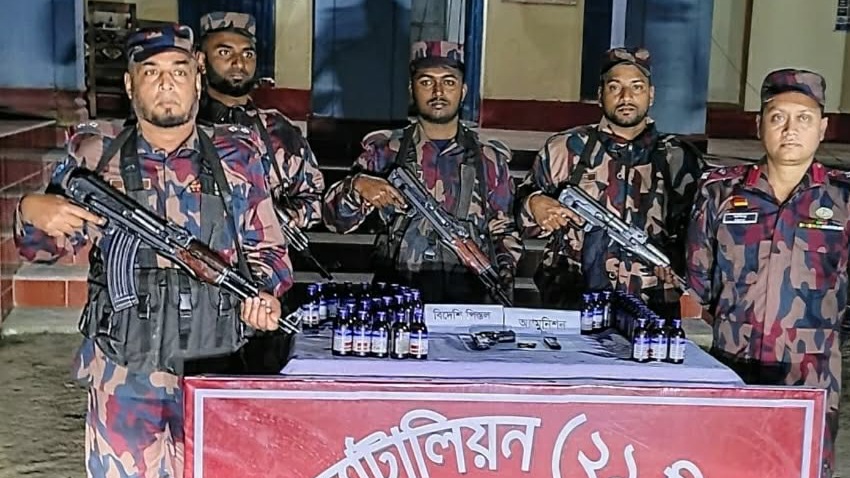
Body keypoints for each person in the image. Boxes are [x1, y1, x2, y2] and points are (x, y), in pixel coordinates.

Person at [14, 24, 292, 478]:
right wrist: (33, 208)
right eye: (152, 72)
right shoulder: (95, 154)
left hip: (214, 371)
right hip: (125, 368)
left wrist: (263, 297)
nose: (167, 84)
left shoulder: (236, 155)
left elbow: (271, 254)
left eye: (178, 70)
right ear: (131, 83)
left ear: (197, 79)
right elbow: (39, 244)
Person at [686, 68, 850, 478]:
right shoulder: (721, 193)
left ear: (823, 127)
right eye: (778, 117)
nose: (790, 129)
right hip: (732, 369)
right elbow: (698, 283)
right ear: (759, 124)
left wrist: (820, 337)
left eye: (804, 118)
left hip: (809, 377)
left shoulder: (849, 199)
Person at [322, 41, 522, 304]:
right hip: (397, 298)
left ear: (463, 91)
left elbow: (505, 230)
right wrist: (357, 186)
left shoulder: (489, 160)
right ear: (411, 89)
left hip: (469, 301)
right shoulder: (385, 153)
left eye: (448, 82)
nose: (438, 92)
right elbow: (335, 221)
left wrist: (501, 274)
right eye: (426, 82)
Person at [516, 47, 703, 311]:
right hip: (572, 298)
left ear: (651, 95)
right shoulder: (565, 149)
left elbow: (702, 233)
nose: (626, 97)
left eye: (637, 87)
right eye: (615, 87)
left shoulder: (680, 158)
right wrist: (534, 205)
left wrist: (681, 265)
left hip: (651, 303)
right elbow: (519, 217)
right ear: (599, 95)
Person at [196, 11, 327, 372]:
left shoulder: (277, 129)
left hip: (266, 293)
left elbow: (313, 198)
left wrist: (280, 217)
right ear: (200, 61)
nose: (239, 62)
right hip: (200, 298)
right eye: (224, 52)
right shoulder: (183, 127)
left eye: (248, 53)